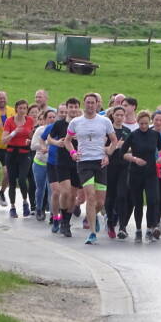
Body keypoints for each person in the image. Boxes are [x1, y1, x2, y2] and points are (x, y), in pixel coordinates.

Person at [64, 93, 118, 245]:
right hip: (84, 162)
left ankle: (93, 216)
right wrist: (73, 153)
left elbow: (114, 141)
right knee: (91, 196)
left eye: (92, 103)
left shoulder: (105, 121)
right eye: (87, 102)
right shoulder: (76, 122)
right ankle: (92, 233)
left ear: (97, 104)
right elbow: (67, 141)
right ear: (84, 104)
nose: (90, 105)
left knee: (100, 202)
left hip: (100, 162)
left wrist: (108, 154)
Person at [120, 110, 161, 243]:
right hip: (136, 173)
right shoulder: (133, 135)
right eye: (141, 124)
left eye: (146, 123)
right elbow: (122, 153)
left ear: (149, 122)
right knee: (138, 203)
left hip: (151, 173)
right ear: (138, 123)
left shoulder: (155, 134)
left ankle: (150, 228)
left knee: (152, 200)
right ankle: (138, 230)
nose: (144, 126)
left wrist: (160, 157)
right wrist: (134, 159)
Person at [47, 97, 82, 238]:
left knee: (73, 195)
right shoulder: (59, 124)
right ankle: (62, 219)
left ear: (78, 108)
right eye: (71, 107)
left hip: (78, 162)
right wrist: (57, 143)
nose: (73, 109)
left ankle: (66, 222)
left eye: (75, 107)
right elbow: (49, 138)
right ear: (66, 108)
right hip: (62, 162)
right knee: (65, 192)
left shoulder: (82, 124)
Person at [2, 99, 35, 218]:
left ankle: (25, 202)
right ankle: (12, 207)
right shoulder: (9, 121)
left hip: (25, 153)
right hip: (11, 153)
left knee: (22, 179)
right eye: (20, 108)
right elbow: (3, 140)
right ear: (16, 109)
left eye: (24, 108)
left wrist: (31, 139)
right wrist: (14, 132)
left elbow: (32, 136)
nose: (22, 111)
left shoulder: (30, 120)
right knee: (12, 181)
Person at [105, 106, 132, 239]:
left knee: (122, 195)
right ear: (113, 116)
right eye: (117, 115)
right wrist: (115, 146)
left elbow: (131, 148)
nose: (120, 117)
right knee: (110, 196)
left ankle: (122, 226)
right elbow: (102, 148)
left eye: (122, 115)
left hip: (124, 167)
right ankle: (110, 222)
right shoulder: (107, 130)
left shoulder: (127, 131)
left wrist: (128, 148)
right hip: (110, 166)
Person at [41, 104, 67, 232]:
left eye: (65, 112)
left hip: (66, 164)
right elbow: (42, 139)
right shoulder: (52, 127)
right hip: (52, 163)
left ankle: (64, 218)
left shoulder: (73, 126)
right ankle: (56, 217)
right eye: (61, 112)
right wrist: (43, 147)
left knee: (66, 193)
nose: (63, 114)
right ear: (57, 113)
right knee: (56, 192)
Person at [31, 109, 57, 221]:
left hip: (52, 164)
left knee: (52, 190)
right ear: (45, 119)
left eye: (53, 117)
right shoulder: (40, 130)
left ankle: (53, 213)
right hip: (39, 163)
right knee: (40, 188)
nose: (52, 119)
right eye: (49, 117)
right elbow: (33, 146)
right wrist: (44, 145)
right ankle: (39, 209)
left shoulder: (57, 130)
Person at [27, 104, 40, 213]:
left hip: (40, 155)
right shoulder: (26, 126)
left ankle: (42, 204)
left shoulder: (42, 126)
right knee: (32, 181)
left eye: (36, 112)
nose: (35, 114)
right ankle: (32, 204)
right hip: (29, 155)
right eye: (32, 112)